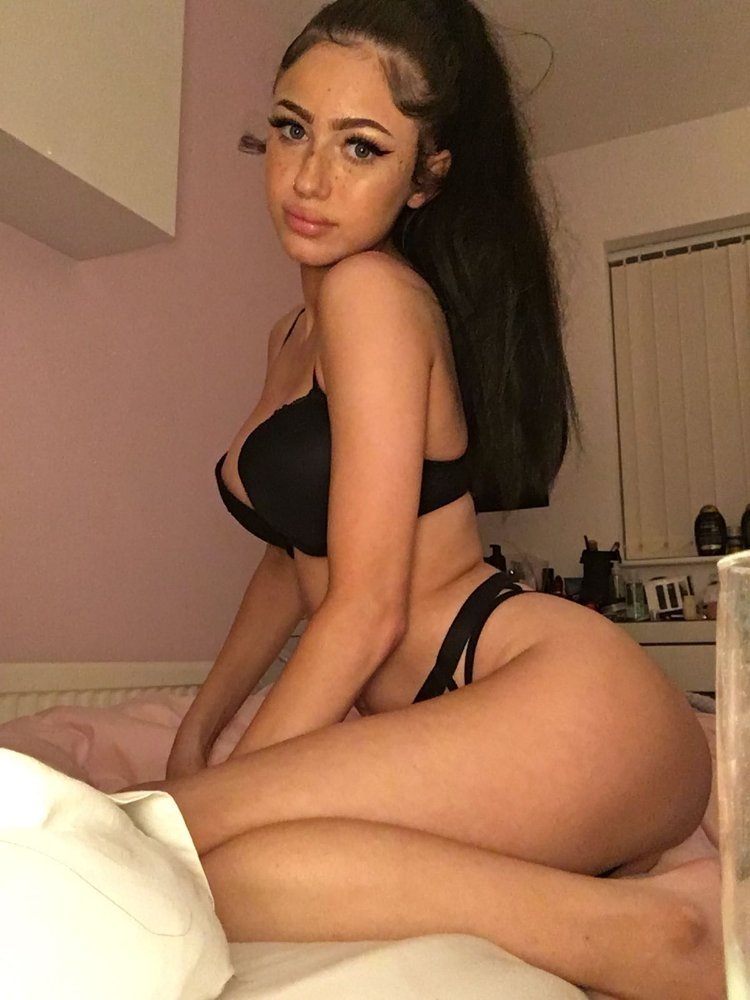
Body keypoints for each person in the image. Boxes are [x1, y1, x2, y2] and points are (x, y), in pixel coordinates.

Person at [149, 2, 723, 996]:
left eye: (360, 147)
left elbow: (367, 606)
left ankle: (658, 942)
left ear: (425, 176)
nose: (310, 178)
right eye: (291, 128)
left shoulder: (374, 296)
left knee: (159, 849)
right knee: (234, 878)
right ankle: (630, 921)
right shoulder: (292, 335)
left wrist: (224, 790)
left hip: (551, 693)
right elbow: (291, 559)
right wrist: (202, 725)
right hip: (472, 725)